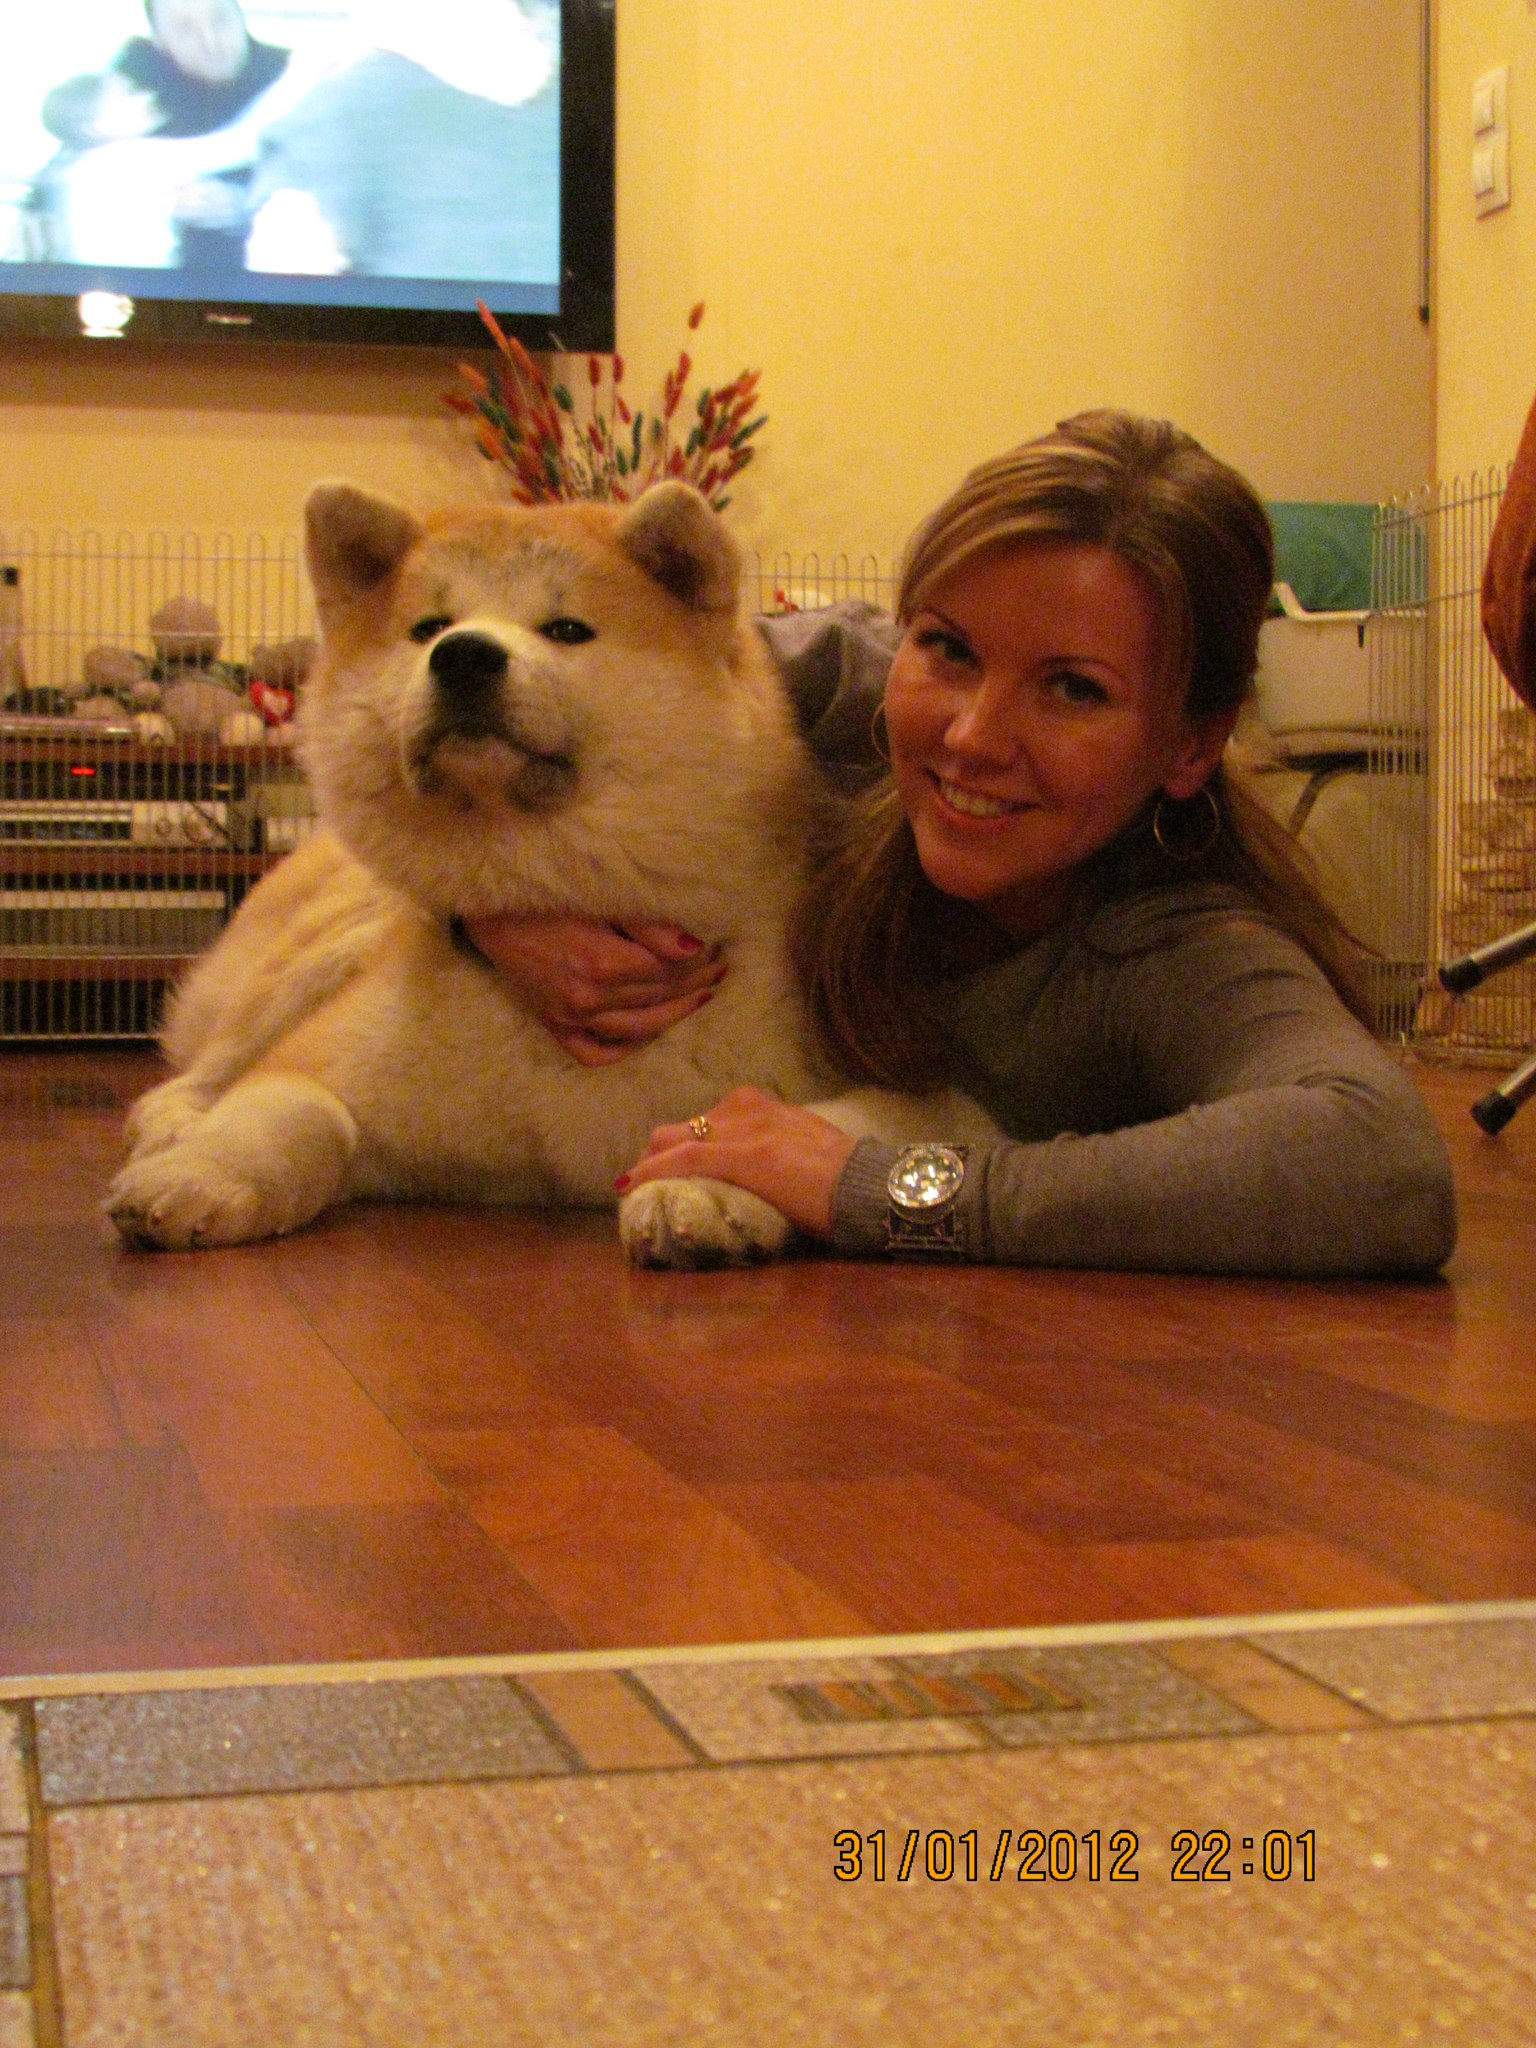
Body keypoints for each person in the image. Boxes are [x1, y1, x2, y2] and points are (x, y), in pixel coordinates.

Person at [465, 410, 1457, 1275]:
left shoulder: (1177, 943)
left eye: (1073, 688)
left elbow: (1381, 1164)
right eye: (948, 646)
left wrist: (886, 1187)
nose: (973, 736)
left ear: (1192, 744)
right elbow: (544, 700)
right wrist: (493, 913)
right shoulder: (835, 691)